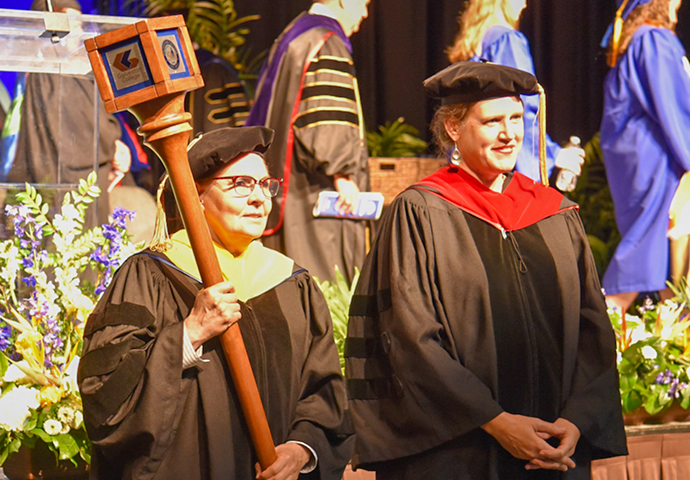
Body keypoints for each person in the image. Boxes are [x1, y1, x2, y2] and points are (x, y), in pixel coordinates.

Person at [345, 62, 627, 479]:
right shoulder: (421, 211)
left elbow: (592, 329)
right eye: (492, 121)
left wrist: (576, 420)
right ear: (454, 129)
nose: (510, 134)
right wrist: (496, 421)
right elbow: (409, 336)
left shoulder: (553, 212)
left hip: (554, 449)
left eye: (517, 118)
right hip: (460, 452)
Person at [78, 127, 353, 480]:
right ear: (198, 197)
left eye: (266, 184)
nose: (259, 198)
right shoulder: (150, 275)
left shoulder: (291, 283)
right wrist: (188, 335)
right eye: (241, 183)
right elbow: (104, 389)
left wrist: (302, 449)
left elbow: (324, 392)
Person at [246, 0, 371, 285]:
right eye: (363, 3)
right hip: (316, 197)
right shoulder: (325, 42)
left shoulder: (294, 34)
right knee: (323, 288)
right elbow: (325, 119)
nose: (364, 14)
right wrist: (343, 174)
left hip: (284, 191)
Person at [5, 0, 131, 225]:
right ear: (54, 24)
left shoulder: (43, 66)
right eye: (73, 21)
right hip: (68, 194)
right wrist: (114, 145)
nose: (80, 30)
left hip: (49, 190)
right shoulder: (56, 70)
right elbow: (84, 130)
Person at [600, 0, 690, 314]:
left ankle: (674, 350)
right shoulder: (654, 39)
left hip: (635, 157)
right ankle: (596, 336)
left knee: (662, 253)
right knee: (645, 247)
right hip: (657, 159)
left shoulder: (633, 39)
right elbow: (675, 104)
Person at [447, 0, 584, 185]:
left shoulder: (477, 44)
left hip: (473, 162)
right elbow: (521, 107)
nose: (524, 6)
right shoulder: (507, 40)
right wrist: (551, 154)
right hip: (500, 169)